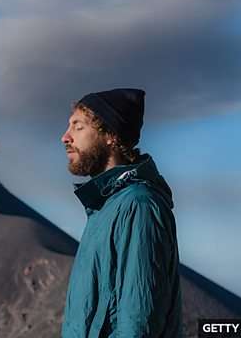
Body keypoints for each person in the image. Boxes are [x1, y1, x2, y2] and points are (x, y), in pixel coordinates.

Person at [60, 88, 182, 337]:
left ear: (111, 136)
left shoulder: (138, 206)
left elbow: (138, 323)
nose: (65, 137)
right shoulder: (103, 209)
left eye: (78, 126)